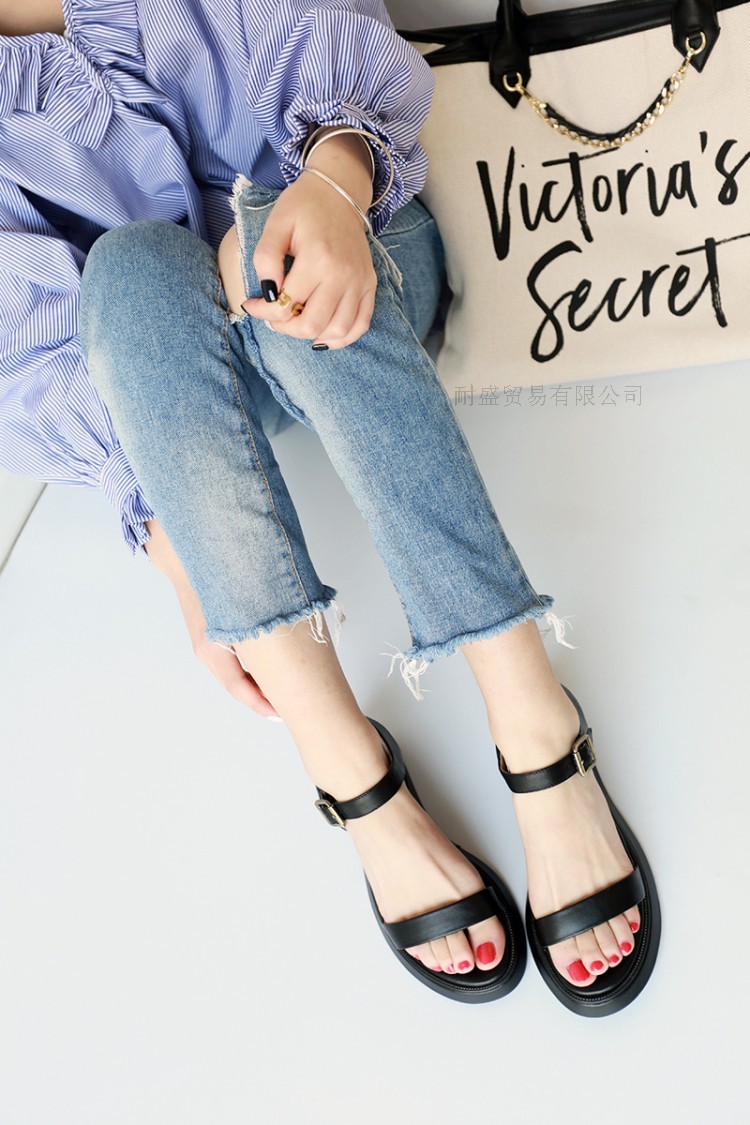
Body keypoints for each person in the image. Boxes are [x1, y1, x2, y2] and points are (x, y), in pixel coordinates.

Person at [0, 0, 656, 1014]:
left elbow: (327, 46)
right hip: (179, 385)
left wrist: (331, 188)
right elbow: (35, 358)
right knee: (126, 270)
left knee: (263, 243)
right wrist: (184, 558)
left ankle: (531, 714)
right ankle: (346, 765)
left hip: (362, 255)